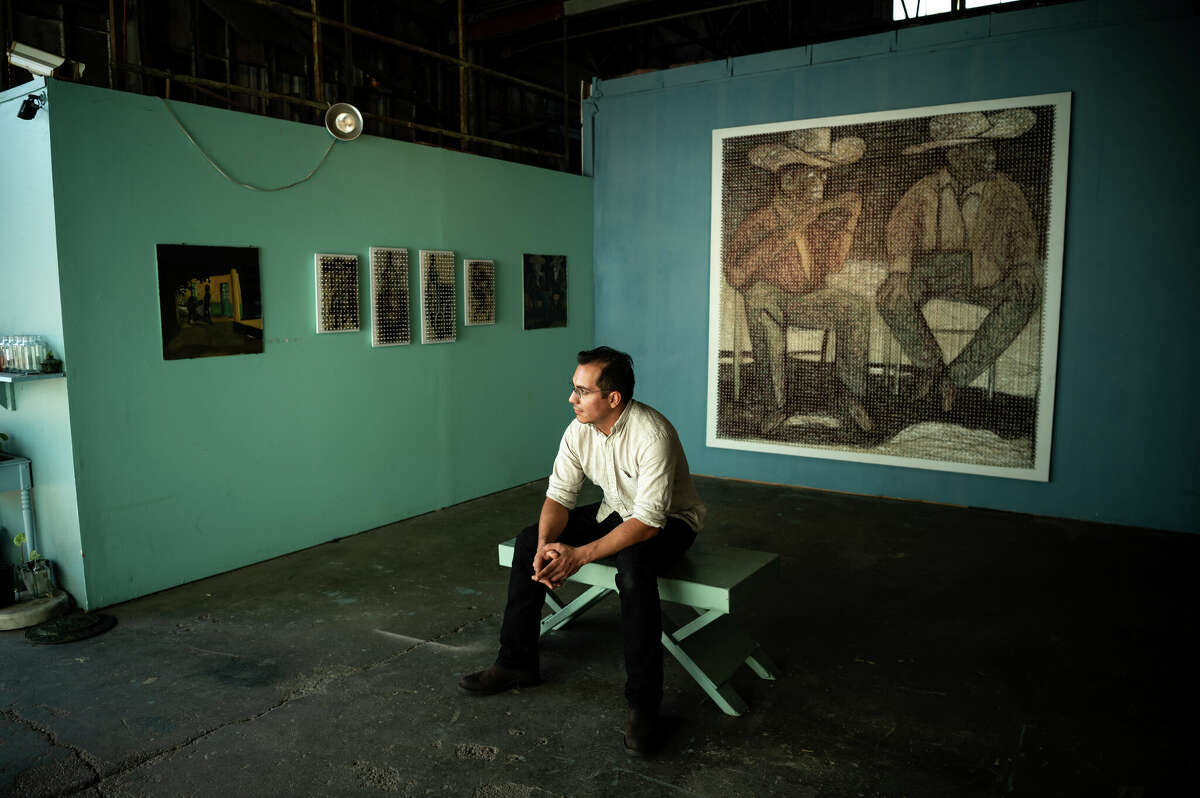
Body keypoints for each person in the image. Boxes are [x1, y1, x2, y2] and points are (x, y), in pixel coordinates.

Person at [460, 346, 706, 756]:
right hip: (617, 508)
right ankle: (517, 662)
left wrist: (579, 555)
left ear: (613, 399)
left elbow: (647, 523)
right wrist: (544, 547)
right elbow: (559, 498)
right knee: (526, 541)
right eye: (573, 389)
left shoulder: (653, 434)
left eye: (581, 391)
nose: (571, 399)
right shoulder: (578, 430)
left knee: (633, 567)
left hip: (670, 522)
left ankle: (644, 705)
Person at [877, 109, 1042, 412]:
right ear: (955, 154)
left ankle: (954, 377)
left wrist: (1022, 266)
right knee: (890, 297)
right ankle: (931, 367)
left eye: (989, 148)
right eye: (981, 148)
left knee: (1026, 297)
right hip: (931, 273)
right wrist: (900, 271)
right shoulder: (926, 188)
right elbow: (900, 227)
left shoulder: (1005, 190)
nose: (990, 156)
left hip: (987, 275)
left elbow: (1024, 233)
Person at [722, 127, 872, 436]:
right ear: (788, 180)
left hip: (807, 301)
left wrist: (849, 222)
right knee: (760, 296)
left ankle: (850, 398)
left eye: (824, 176)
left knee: (855, 306)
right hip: (771, 301)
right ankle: (775, 405)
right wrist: (792, 227)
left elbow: (833, 264)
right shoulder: (761, 221)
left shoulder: (817, 220)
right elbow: (736, 275)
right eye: (814, 176)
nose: (823, 183)